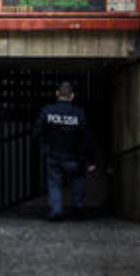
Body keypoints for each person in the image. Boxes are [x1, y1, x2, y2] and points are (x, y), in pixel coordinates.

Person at [34, 82, 96, 221]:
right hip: (75, 157)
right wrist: (91, 160)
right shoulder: (79, 113)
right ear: (72, 96)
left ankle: (56, 211)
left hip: (54, 156)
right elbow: (87, 138)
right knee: (78, 181)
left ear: (57, 94)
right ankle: (78, 208)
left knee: (54, 184)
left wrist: (44, 149)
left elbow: (37, 133)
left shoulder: (47, 111)